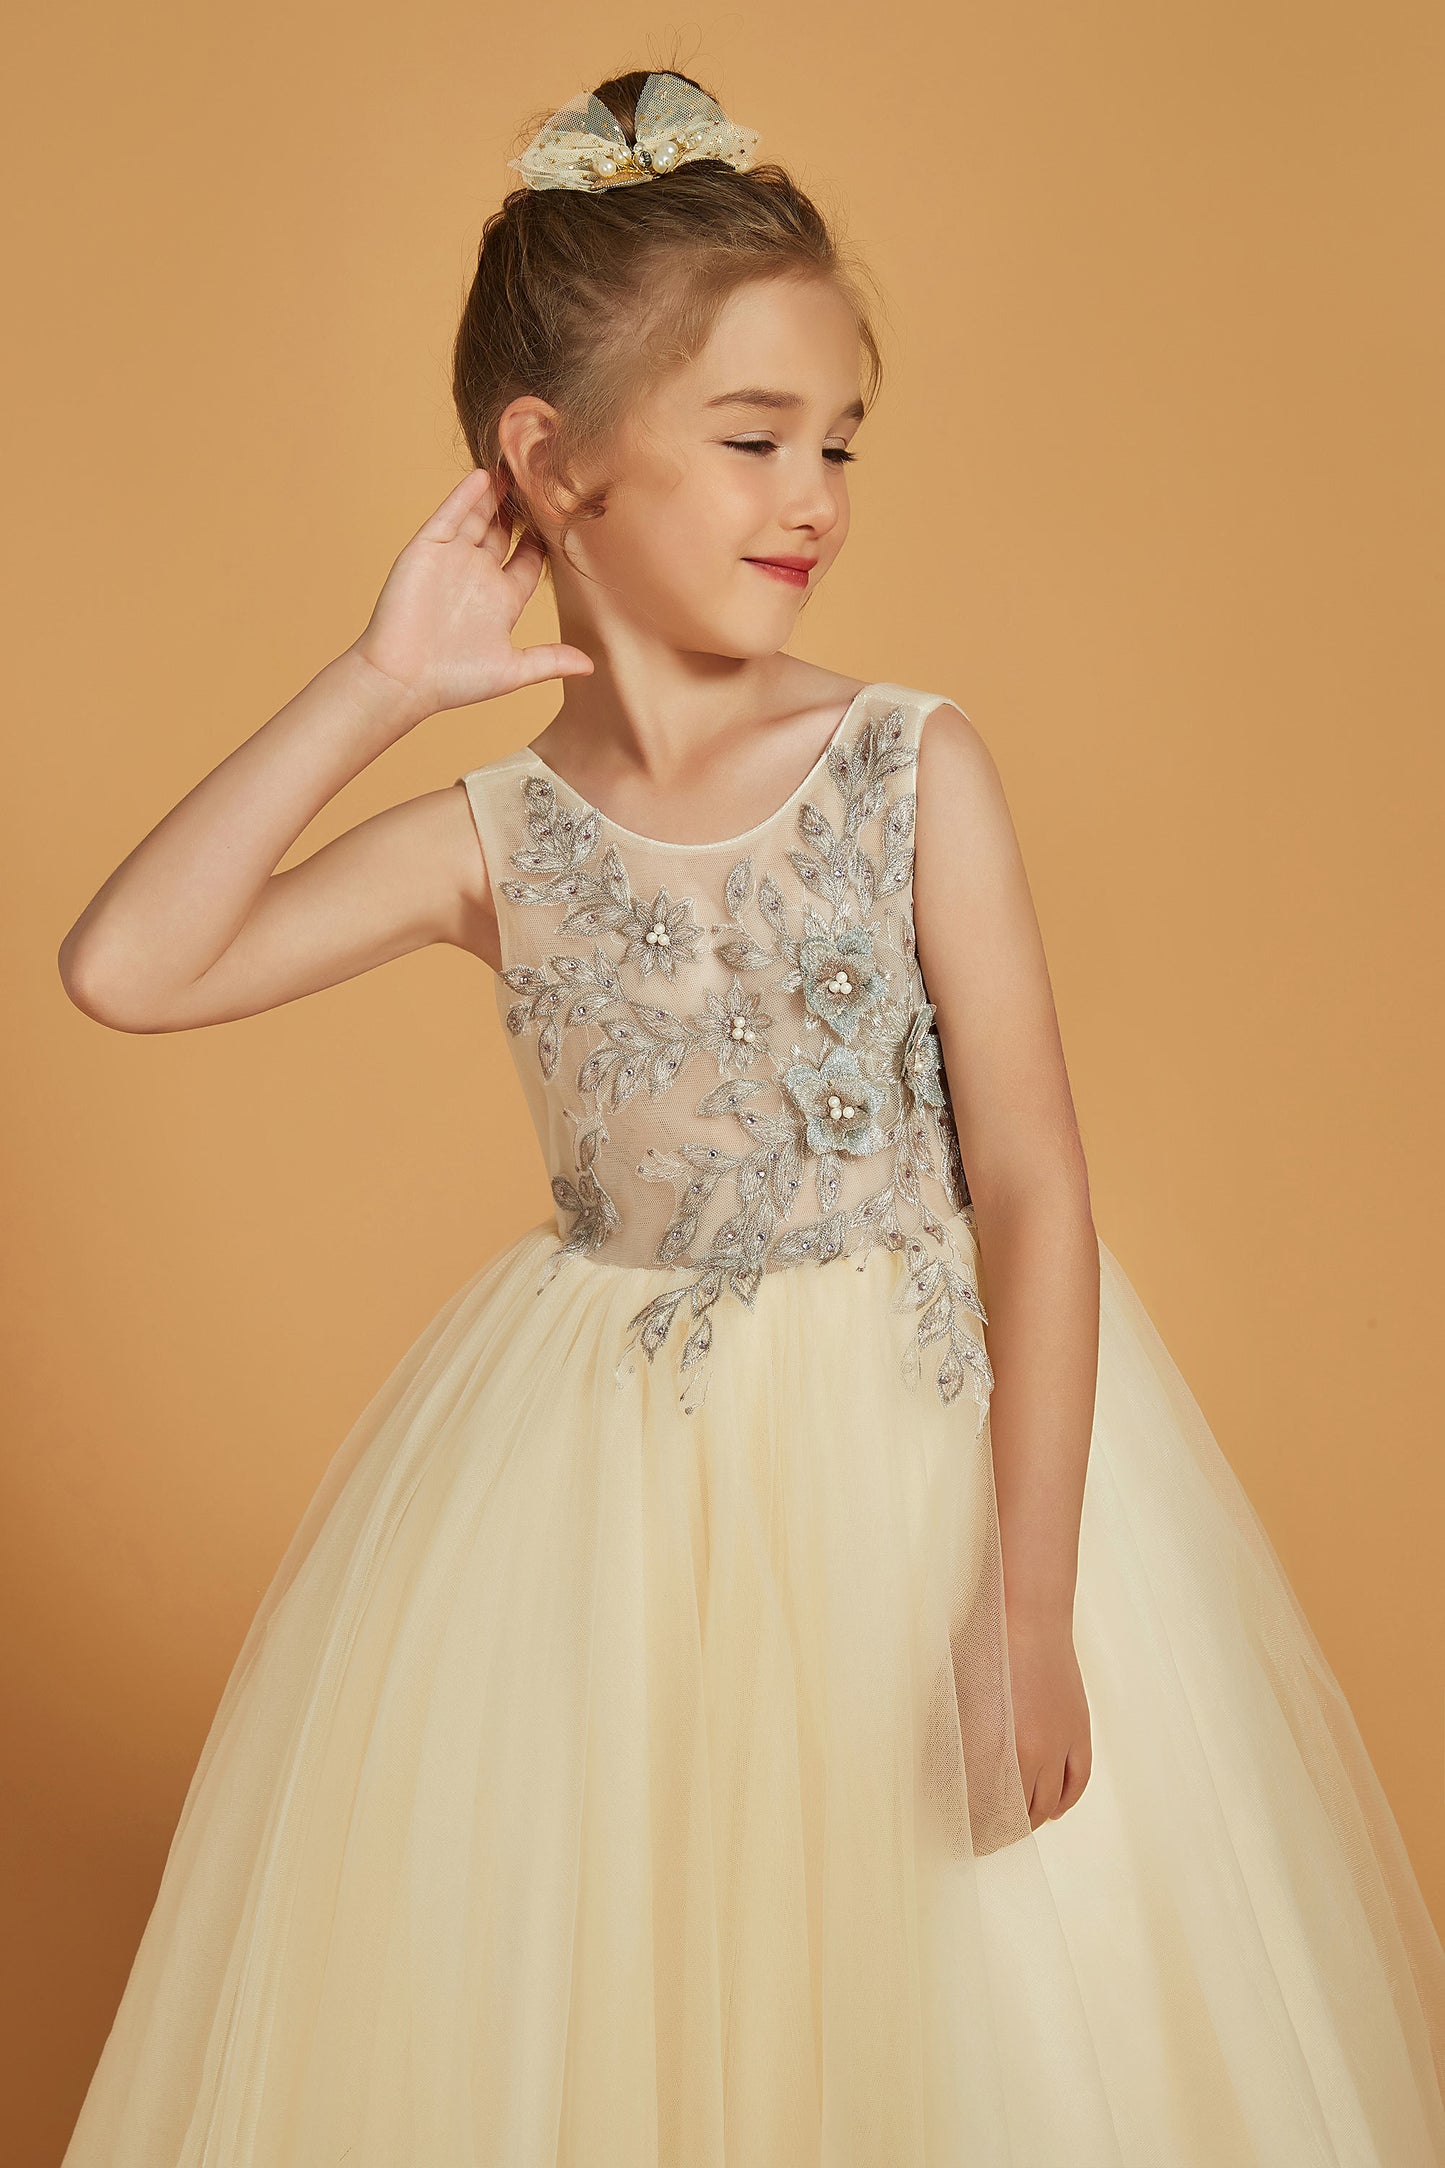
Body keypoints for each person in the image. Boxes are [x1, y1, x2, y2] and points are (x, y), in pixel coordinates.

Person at [55, 64, 1445, 2167]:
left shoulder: (907, 766)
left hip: (920, 1479)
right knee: (627, 1994)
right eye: (752, 438)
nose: (815, 496)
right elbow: (129, 966)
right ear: (553, 465)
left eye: (838, 443)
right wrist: (379, 681)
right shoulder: (495, 839)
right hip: (600, 1512)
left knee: (961, 2009)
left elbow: (1031, 1184)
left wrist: (1031, 1605)